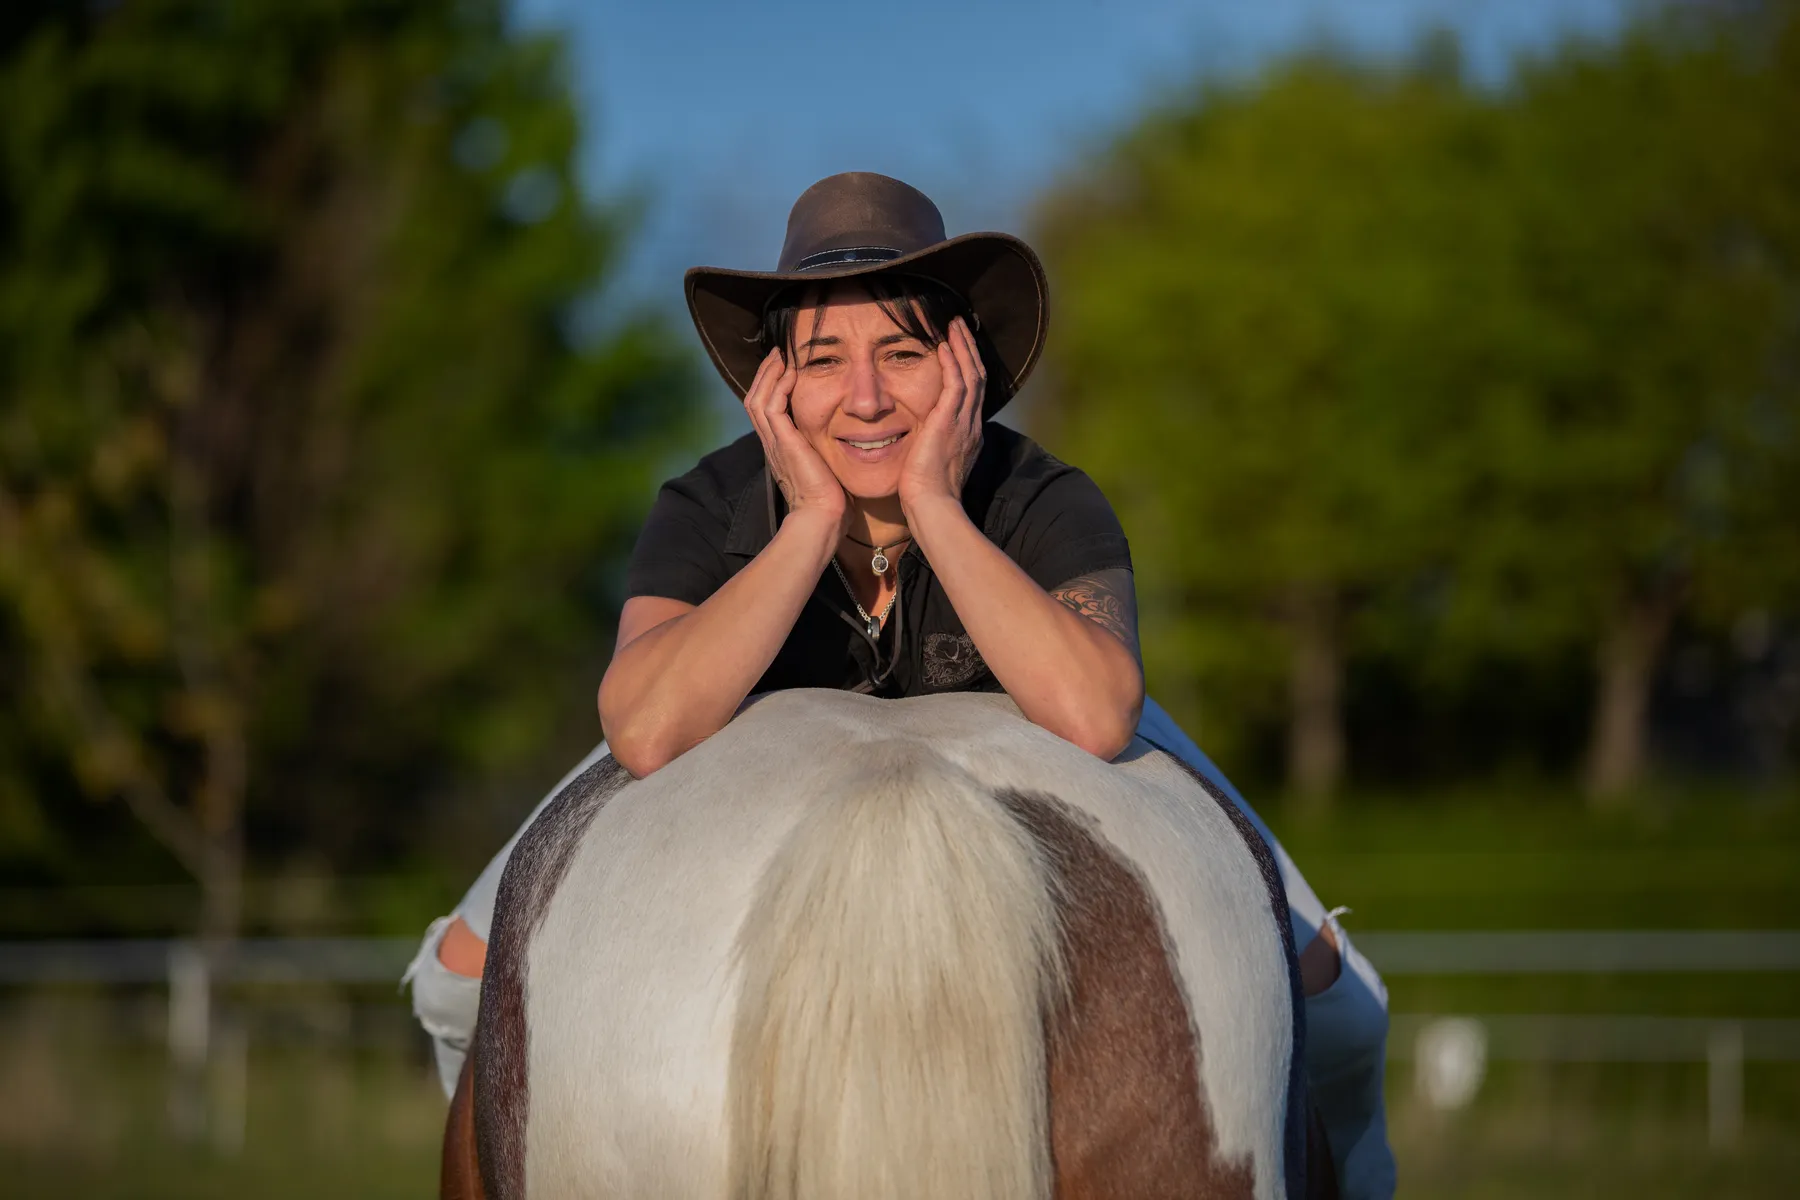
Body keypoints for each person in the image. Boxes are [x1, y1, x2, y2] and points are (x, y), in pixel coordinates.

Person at [404, 172, 1396, 1198]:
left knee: (1346, 1002)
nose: (868, 397)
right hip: (727, 710)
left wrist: (936, 505)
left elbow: (1099, 714)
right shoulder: (705, 504)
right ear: (775, 383)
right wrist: (808, 523)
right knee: (449, 978)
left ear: (963, 362)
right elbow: (647, 727)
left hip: (1035, 713)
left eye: (904, 352)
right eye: (824, 359)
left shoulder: (1045, 498)